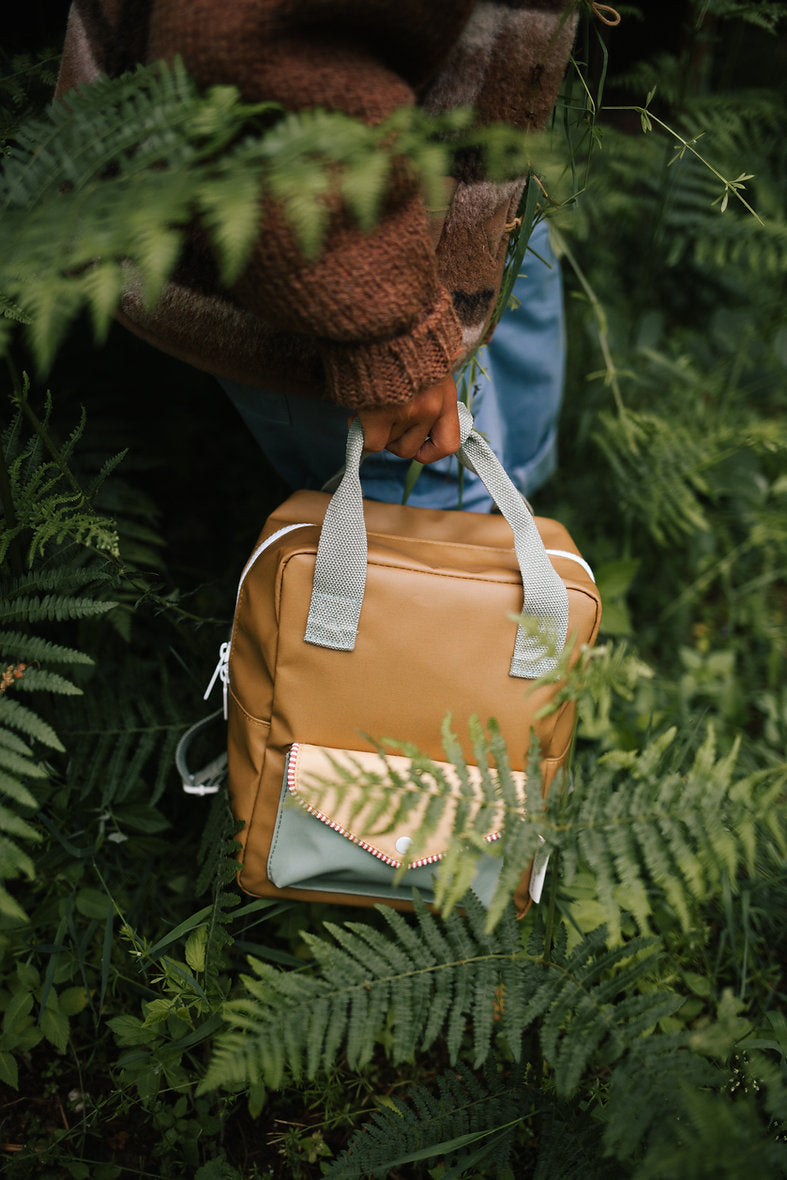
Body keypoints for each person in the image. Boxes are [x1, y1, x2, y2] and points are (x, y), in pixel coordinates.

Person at [56, 2, 577, 507]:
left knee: (514, 467)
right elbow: (262, 55)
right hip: (350, 251)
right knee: (424, 515)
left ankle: (507, 566)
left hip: (481, 198)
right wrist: (391, 335)